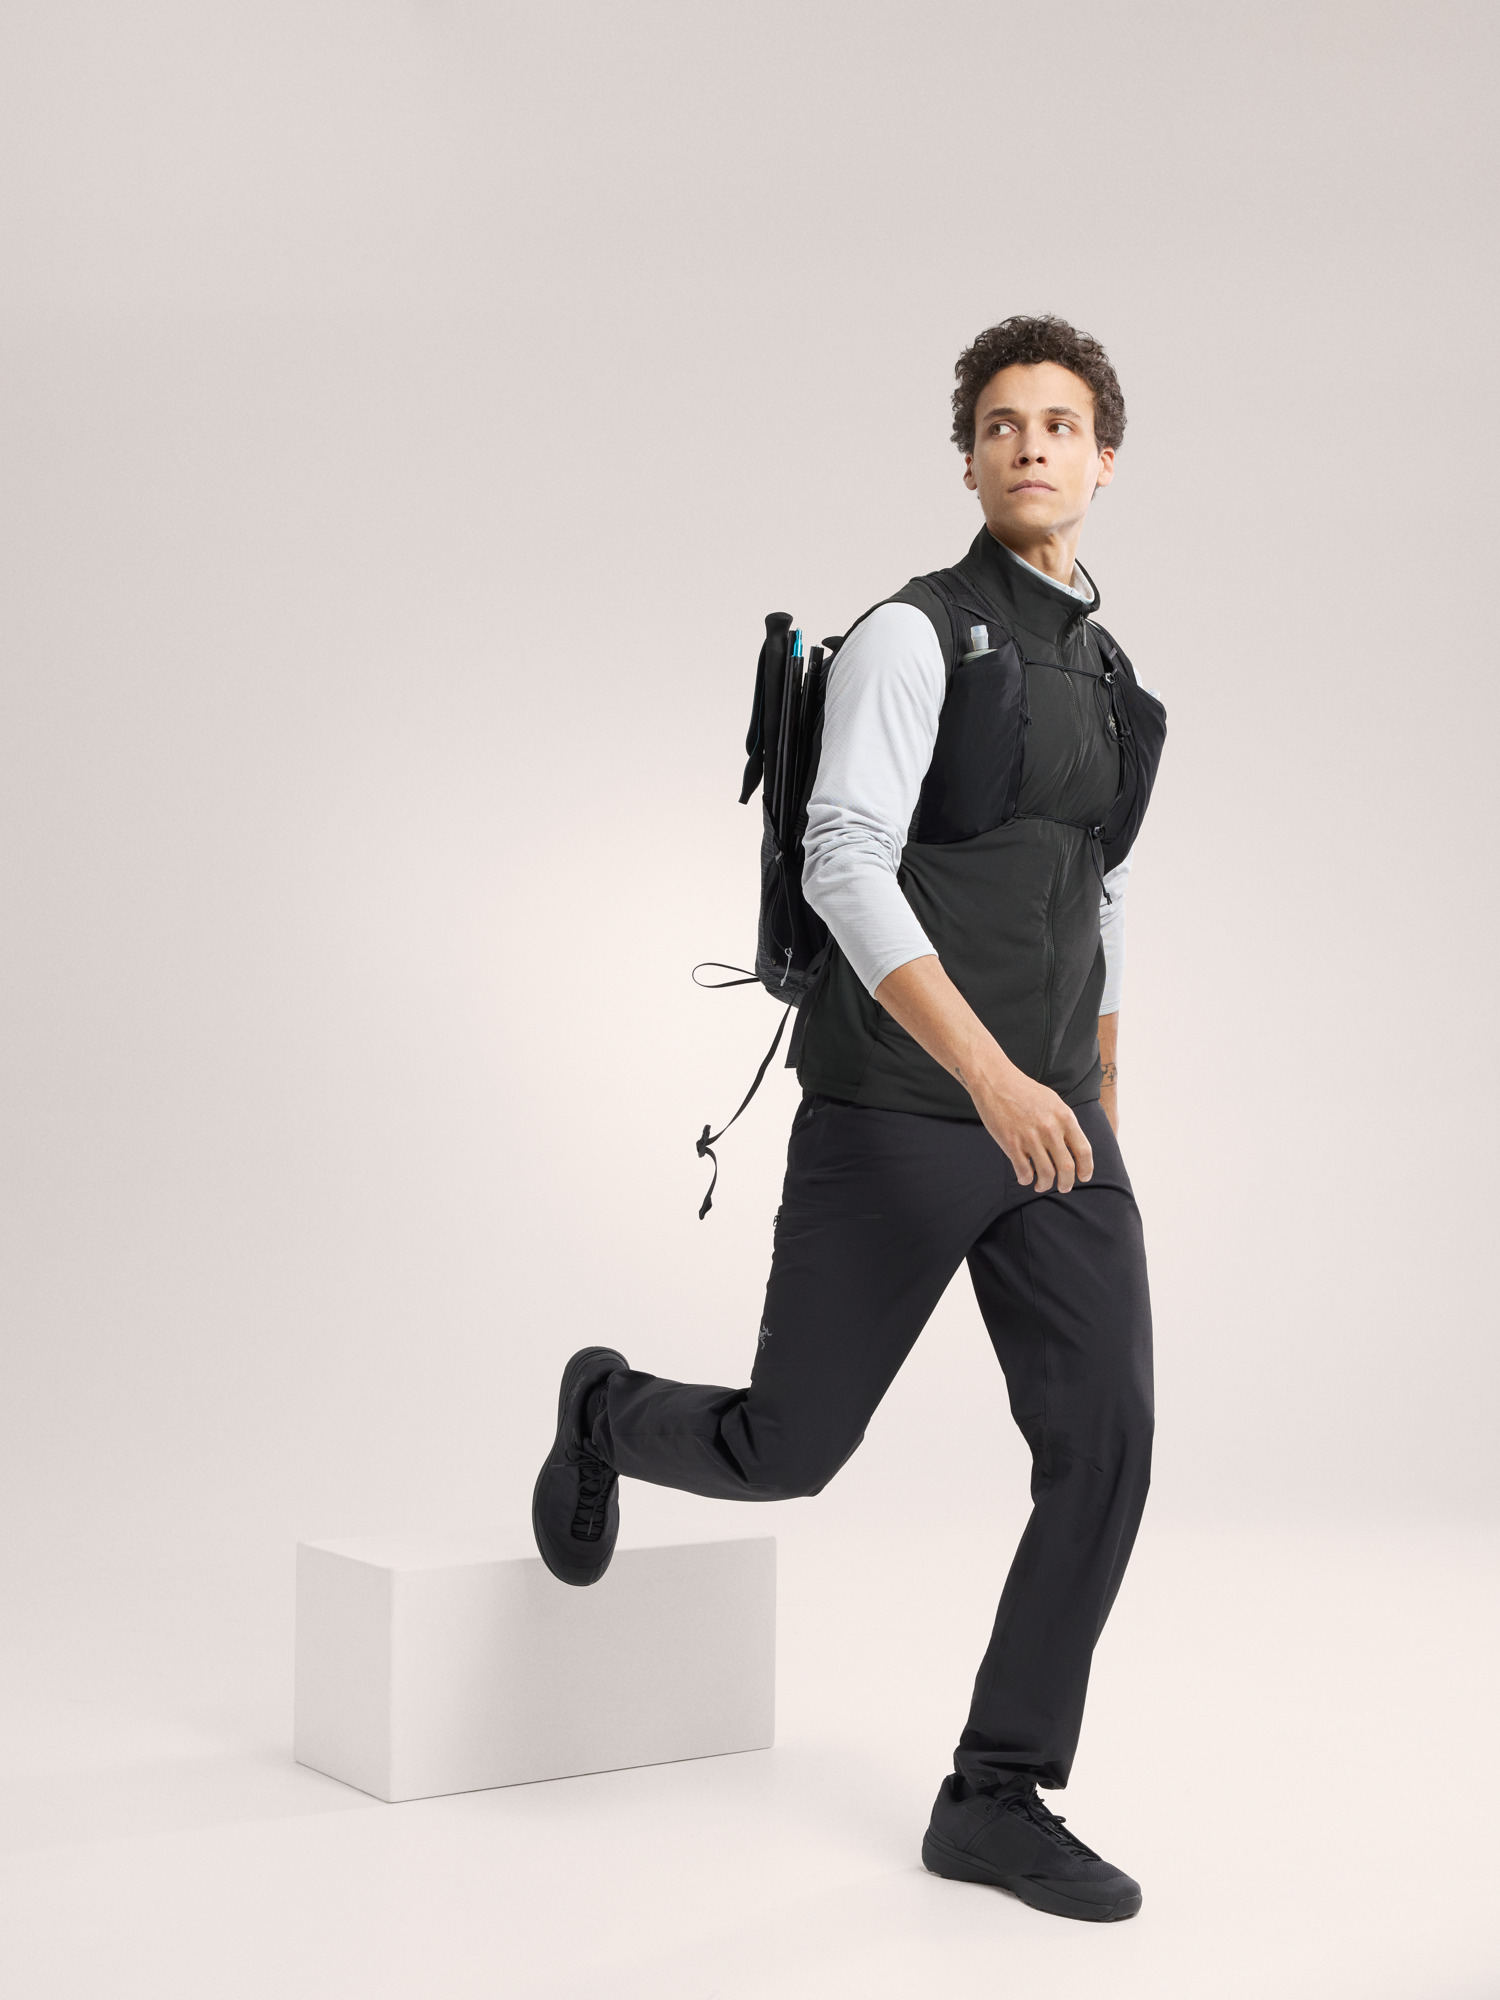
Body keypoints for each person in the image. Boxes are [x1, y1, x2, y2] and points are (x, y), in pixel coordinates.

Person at [532, 315, 1166, 1924]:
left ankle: (996, 1794)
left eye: (1060, 422)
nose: (1031, 444)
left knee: (1106, 1445)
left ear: (1106, 458)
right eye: (1001, 423)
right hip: (900, 1109)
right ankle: (607, 1410)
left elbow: (1100, 892)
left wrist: (1094, 1086)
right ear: (968, 460)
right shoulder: (913, 637)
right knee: (786, 1452)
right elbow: (843, 861)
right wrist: (992, 1078)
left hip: (1055, 1127)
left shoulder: (1112, 681)